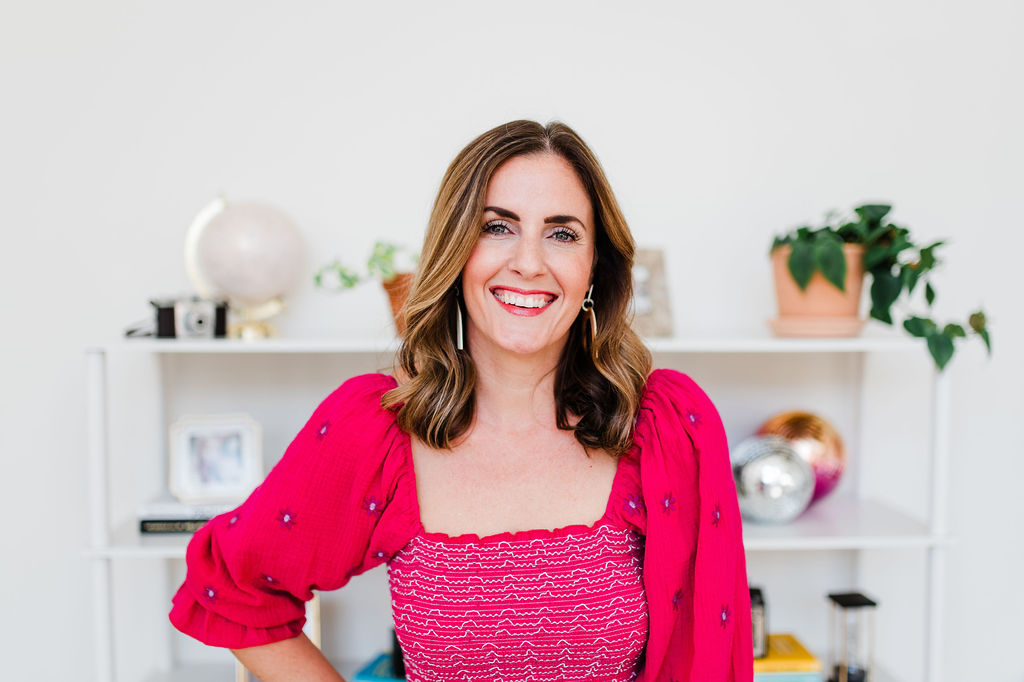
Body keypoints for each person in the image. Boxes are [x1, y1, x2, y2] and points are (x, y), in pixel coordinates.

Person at [170, 120, 753, 681]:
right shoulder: (376, 430)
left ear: (594, 270)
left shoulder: (666, 427)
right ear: (456, 254)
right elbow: (233, 589)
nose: (528, 262)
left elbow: (708, 658)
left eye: (562, 233)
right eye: (497, 227)